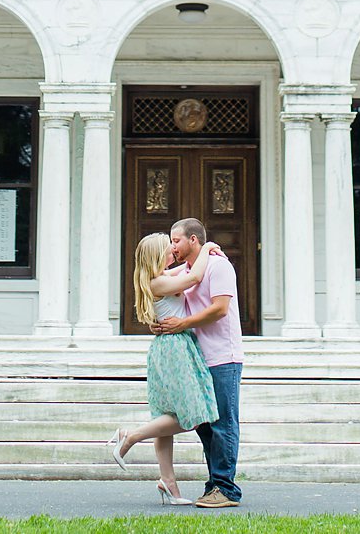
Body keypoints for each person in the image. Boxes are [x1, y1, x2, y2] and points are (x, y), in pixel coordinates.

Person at [108, 231, 220, 505]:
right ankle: (130, 436)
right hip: (175, 349)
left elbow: (185, 270)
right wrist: (206, 249)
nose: (173, 248)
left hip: (165, 348)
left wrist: (196, 258)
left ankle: (168, 483)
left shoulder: (158, 278)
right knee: (192, 415)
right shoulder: (159, 282)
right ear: (159, 255)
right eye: (168, 246)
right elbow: (193, 277)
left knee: (165, 417)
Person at [154, 216, 243, 508]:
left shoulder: (219, 266)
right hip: (197, 357)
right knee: (205, 425)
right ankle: (215, 482)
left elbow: (219, 309)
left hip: (223, 356)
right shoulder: (190, 270)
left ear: (194, 240)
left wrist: (182, 323)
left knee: (223, 424)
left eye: (176, 240)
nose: (172, 246)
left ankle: (227, 489)